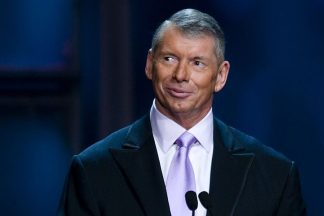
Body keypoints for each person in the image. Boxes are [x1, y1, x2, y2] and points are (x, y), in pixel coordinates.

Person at [58, 8, 306, 216]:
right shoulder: (94, 171)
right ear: (149, 65)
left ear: (221, 76)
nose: (181, 75)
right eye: (169, 59)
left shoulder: (275, 176)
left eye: (197, 63)